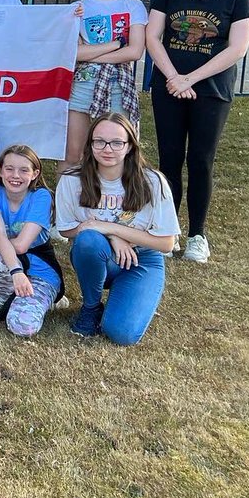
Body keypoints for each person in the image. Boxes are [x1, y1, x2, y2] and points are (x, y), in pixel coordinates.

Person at [144, 0, 249, 263]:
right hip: (169, 88)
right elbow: (153, 36)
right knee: (169, 159)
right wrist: (173, 78)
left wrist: (189, 79)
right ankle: (168, 231)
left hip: (211, 91)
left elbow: (238, 48)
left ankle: (197, 235)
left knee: (201, 161)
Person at [57, 114, 178, 345]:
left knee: (122, 334)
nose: (107, 149)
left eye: (117, 142)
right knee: (89, 240)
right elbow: (66, 230)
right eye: (99, 141)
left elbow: (166, 243)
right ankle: (91, 307)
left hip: (141, 260)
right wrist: (112, 236)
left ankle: (124, 301)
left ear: (130, 145)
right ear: (90, 144)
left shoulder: (152, 181)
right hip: (98, 254)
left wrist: (108, 227)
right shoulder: (73, 179)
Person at [64, 0, 147, 170]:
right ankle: (66, 203)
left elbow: (135, 51)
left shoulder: (132, 5)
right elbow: (71, 53)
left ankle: (112, 200)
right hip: (82, 85)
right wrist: (116, 44)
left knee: (117, 151)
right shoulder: (78, 9)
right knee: (74, 153)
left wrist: (92, 53)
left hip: (119, 85)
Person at [0, 145, 64, 338]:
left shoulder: (41, 196)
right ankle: (3, 300)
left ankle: (42, 300)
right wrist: (15, 271)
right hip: (11, 265)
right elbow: (0, 237)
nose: (16, 175)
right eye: (9, 169)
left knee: (22, 326)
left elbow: (22, 245)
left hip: (40, 272)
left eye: (24, 170)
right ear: (0, 170)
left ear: (35, 173)